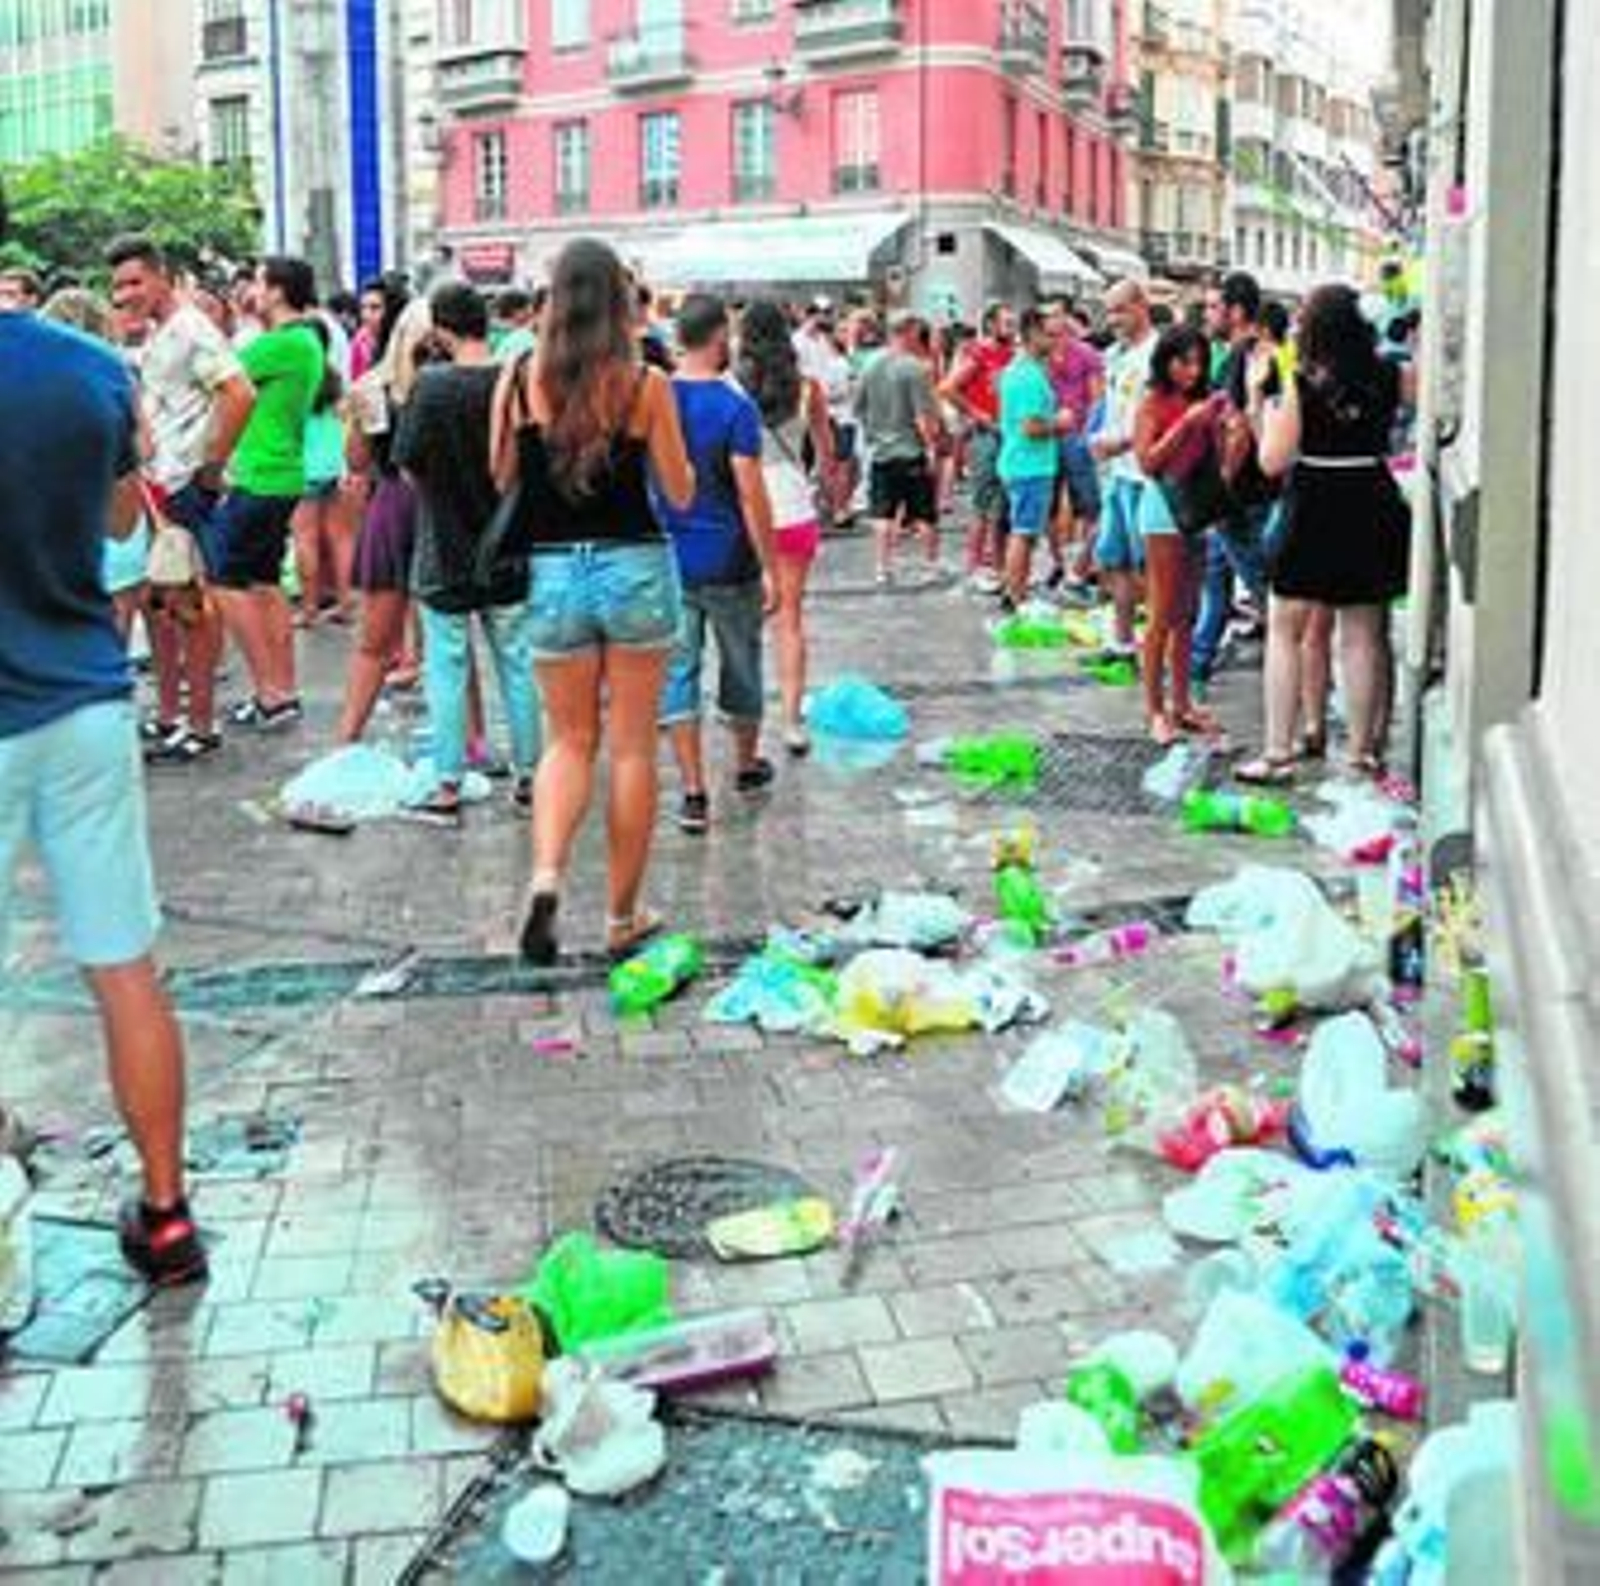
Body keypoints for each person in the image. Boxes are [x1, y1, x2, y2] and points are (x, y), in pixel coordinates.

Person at [0, 185, 207, 1286]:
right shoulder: (89, 368)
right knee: (126, 965)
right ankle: (167, 1212)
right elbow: (124, 521)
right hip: (83, 695)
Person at [490, 238, 694, 966]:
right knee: (634, 745)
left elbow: (502, 472)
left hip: (549, 571)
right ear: (620, 302)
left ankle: (546, 878)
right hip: (635, 565)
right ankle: (621, 915)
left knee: (567, 740)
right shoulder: (647, 384)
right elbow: (680, 491)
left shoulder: (517, 377)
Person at [1237, 284, 1412, 784]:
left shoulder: (1299, 383)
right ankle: (1361, 753)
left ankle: (1278, 750)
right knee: (1363, 634)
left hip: (1314, 501)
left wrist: (1257, 404)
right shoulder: (1391, 374)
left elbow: (1271, 460)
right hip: (1371, 496)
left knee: (1286, 629)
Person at [106, 234, 257, 765]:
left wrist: (210, 469)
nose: (124, 294)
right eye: (117, 285)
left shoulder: (191, 328)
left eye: (133, 281)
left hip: (186, 490)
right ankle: (172, 715)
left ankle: (201, 723)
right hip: (159, 488)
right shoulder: (158, 332)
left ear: (160, 276)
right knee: (162, 606)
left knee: (190, 606)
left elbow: (240, 393)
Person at [393, 283, 541, 822]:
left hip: (445, 547)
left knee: (447, 667)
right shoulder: (514, 380)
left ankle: (448, 781)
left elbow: (407, 465)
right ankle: (531, 776)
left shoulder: (431, 388)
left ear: (440, 329)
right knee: (519, 664)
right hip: (508, 547)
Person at [657, 294, 778, 834]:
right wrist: (771, 565)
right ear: (716, 338)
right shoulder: (735, 408)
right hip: (729, 558)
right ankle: (746, 765)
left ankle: (692, 790)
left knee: (678, 671)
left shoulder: (654, 401)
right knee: (741, 661)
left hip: (669, 557)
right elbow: (751, 493)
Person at [202, 257, 324, 728]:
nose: (250, 289)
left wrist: (228, 319)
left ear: (276, 291)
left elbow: (218, 372)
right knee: (264, 581)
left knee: (226, 580)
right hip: (279, 473)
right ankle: (282, 690)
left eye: (257, 282)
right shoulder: (303, 340)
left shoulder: (282, 344)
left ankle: (269, 690)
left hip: (258, 475)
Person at [737, 298, 835, 756]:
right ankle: (792, 721)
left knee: (743, 625)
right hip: (795, 510)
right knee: (790, 620)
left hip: (745, 511)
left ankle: (745, 728)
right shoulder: (808, 389)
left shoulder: (731, 389)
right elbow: (827, 456)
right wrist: (825, 489)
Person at [336, 294, 428, 744]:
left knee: (379, 639)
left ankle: (347, 737)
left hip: (399, 508)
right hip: (424, 510)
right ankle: (471, 743)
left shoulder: (382, 386)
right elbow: (355, 460)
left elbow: (355, 462)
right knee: (447, 643)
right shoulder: (380, 387)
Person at [1134, 325, 1227, 746]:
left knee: (1187, 613)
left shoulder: (1200, 401)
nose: (1191, 370)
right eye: (1183, 361)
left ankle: (1182, 702)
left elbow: (1216, 458)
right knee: (1162, 612)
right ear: (1166, 361)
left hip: (1196, 510)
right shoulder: (1153, 402)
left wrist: (1223, 428)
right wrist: (1186, 425)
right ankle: (1154, 708)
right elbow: (1147, 462)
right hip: (1164, 512)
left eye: (1198, 362)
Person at [1191, 271, 1273, 692]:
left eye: (1212, 306)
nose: (1207, 314)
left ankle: (1297, 671)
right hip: (1244, 493)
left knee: (1262, 589)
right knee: (1217, 579)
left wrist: (1219, 486)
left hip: (1240, 494)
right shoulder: (1249, 353)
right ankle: (1197, 665)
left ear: (1236, 311)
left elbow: (1237, 427)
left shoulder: (1244, 357)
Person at [1092, 280, 1159, 657]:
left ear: (1140, 306)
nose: (1112, 319)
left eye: (1119, 310)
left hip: (1143, 475)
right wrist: (1102, 436)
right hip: (1117, 473)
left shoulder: (1157, 352)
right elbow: (1115, 408)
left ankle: (1157, 638)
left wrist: (1125, 440)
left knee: (1148, 565)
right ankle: (1122, 639)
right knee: (1112, 558)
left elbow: (1158, 413)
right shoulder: (1116, 354)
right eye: (1109, 311)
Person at [856, 311, 943, 585]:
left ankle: (883, 567)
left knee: (883, 512)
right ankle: (930, 565)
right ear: (911, 331)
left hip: (880, 450)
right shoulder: (916, 368)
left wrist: (875, 432)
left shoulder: (869, 364)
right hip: (911, 450)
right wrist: (931, 448)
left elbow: (859, 406)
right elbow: (922, 417)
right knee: (924, 513)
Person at [997, 307, 1073, 611]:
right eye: (1050, 334)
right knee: (1025, 533)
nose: (1056, 341)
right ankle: (1016, 596)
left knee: (1023, 530)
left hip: (1024, 463)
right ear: (1032, 335)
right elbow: (1031, 427)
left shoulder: (1022, 370)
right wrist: (1060, 422)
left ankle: (1014, 589)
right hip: (1029, 465)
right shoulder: (1028, 375)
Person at [940, 302, 1016, 591]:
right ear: (992, 325)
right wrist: (977, 414)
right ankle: (974, 565)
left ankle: (998, 565)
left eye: (1013, 323)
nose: (1012, 329)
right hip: (986, 436)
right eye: (1006, 323)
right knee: (983, 503)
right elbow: (947, 388)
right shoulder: (980, 353)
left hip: (1008, 435)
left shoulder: (1013, 355)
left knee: (1002, 504)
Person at [291, 317, 355, 627]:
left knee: (305, 539)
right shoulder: (333, 377)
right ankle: (346, 603)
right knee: (341, 538)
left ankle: (309, 608)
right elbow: (345, 419)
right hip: (335, 464)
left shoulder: (295, 377)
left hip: (303, 467)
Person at [1044, 299, 1105, 592]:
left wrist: (1089, 435)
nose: (1051, 321)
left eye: (1055, 314)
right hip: (1046, 437)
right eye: (1046, 316)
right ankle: (1057, 562)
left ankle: (1086, 562)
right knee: (1050, 506)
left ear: (1067, 318)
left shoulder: (1085, 353)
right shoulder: (1038, 356)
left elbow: (1097, 398)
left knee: (1088, 505)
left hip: (1078, 437)